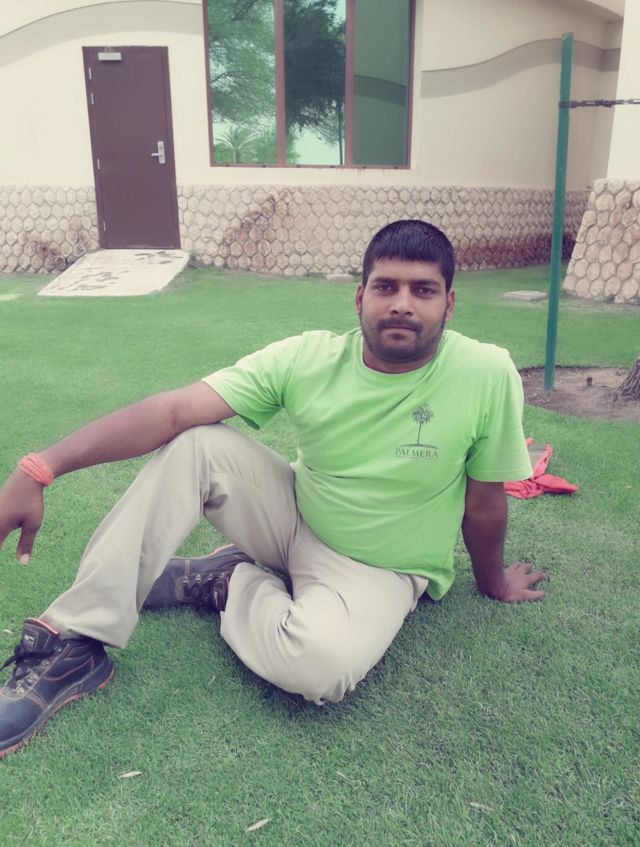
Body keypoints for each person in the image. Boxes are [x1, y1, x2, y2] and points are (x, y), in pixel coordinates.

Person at [0, 220, 547, 758]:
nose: (402, 304)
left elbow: (484, 501)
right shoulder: (308, 358)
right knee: (197, 443)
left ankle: (228, 581)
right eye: (386, 286)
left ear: (449, 304)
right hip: (294, 518)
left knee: (320, 668)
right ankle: (72, 642)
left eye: (423, 290)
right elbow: (173, 411)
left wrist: (494, 581)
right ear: (360, 297)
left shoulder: (485, 372)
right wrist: (40, 468)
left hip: (381, 567)